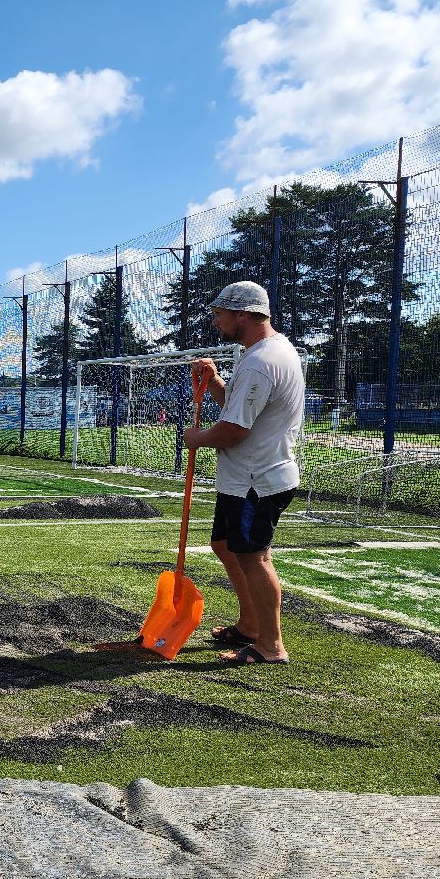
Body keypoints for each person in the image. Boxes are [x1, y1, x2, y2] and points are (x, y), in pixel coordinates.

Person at [185, 281, 305, 665]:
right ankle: (250, 625)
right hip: (244, 478)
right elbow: (239, 407)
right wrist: (216, 382)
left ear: (242, 315)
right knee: (225, 545)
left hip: (258, 479)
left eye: (220, 314)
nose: (216, 321)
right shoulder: (262, 354)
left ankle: (270, 645)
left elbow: (235, 430)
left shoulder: (261, 363)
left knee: (255, 558)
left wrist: (197, 438)